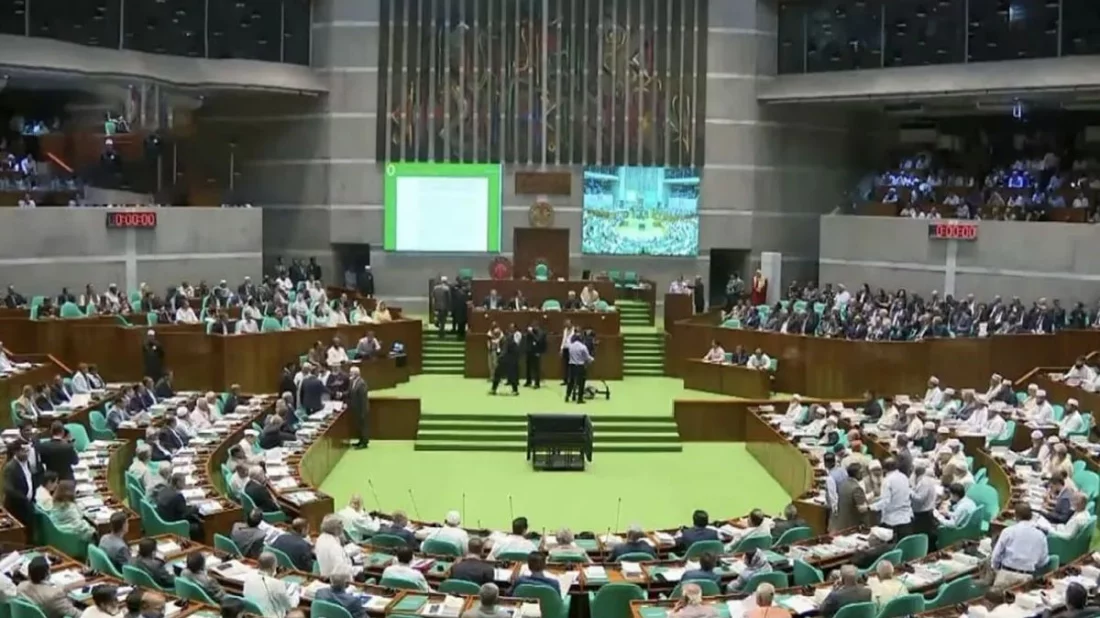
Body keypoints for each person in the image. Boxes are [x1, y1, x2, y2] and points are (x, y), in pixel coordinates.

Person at [991, 503, 1049, 591]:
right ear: (1031, 516)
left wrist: (996, 569)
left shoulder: (1008, 531)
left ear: (1016, 516)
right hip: (1026, 578)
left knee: (996, 597)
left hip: (1006, 574)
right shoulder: (1041, 536)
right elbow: (1043, 561)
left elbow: (996, 555)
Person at [870, 458, 913, 539]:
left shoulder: (887, 481)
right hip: (906, 519)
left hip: (892, 522)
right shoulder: (904, 477)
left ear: (884, 469)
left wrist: (871, 507)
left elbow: (885, 501)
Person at [242, 553, 295, 618]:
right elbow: (290, 606)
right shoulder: (277, 584)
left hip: (251, 615)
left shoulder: (249, 575)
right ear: (273, 566)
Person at [3, 440, 35, 539]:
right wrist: (25, 499)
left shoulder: (27, 463)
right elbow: (8, 489)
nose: (26, 453)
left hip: (27, 505)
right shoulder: (10, 467)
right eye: (23, 451)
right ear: (16, 452)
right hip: (16, 507)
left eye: (27, 451)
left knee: (29, 533)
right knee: (19, 537)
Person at [156, 472, 201, 538]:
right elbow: (184, 515)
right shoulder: (178, 496)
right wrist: (195, 508)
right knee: (200, 525)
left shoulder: (163, 490)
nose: (185, 484)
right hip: (175, 525)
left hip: (163, 521)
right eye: (184, 482)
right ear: (178, 483)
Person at [832, 464, 869, 532]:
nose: (862, 474)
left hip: (840, 523)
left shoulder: (842, 484)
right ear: (857, 474)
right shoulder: (857, 488)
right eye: (861, 472)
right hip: (852, 525)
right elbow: (862, 509)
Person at [490, 324, 520, 396]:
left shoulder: (506, 339)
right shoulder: (506, 338)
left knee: (501, 374)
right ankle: (515, 390)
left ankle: (494, 389)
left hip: (506, 360)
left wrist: (500, 357)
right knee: (509, 375)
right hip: (509, 359)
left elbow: (505, 350)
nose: (495, 336)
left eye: (496, 334)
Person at [564, 333, 594, 404]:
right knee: (581, 383)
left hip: (571, 366)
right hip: (580, 366)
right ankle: (579, 399)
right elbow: (587, 357)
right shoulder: (583, 347)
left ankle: (567, 396)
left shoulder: (570, 346)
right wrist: (592, 359)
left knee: (571, 382)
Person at [348, 366, 369, 449]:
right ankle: (360, 441)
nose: (350, 374)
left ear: (356, 373)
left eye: (351, 372)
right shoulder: (353, 382)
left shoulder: (361, 383)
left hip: (362, 409)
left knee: (363, 426)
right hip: (356, 408)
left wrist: (363, 412)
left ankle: (364, 443)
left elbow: (363, 399)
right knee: (359, 426)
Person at [522, 323, 546, 388]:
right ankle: (528, 381)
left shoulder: (541, 333)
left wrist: (532, 333)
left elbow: (538, 340)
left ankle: (537, 383)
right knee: (528, 367)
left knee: (536, 368)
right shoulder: (532, 332)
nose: (533, 328)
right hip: (530, 351)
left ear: (537, 326)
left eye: (534, 327)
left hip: (536, 352)